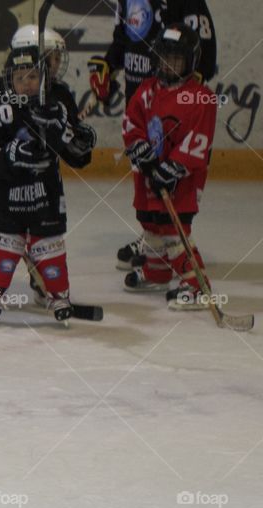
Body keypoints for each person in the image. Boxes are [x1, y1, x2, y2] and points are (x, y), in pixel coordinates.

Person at [0, 27, 96, 322]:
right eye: (50, 57)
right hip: (3, 176)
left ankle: (41, 279)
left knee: (41, 231)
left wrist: (79, 144)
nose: (56, 65)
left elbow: (74, 153)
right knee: (1, 226)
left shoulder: (58, 94)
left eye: (56, 59)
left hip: (42, 183)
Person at [86, 0, 216, 269]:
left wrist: (181, 100)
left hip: (171, 113)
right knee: (146, 186)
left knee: (170, 188)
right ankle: (153, 241)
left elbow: (204, 55)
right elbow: (124, 39)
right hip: (143, 100)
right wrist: (108, 65)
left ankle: (174, 251)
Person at [122, 24, 216, 310]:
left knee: (174, 232)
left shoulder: (202, 97)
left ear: (190, 62)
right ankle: (158, 272)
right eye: (163, 58)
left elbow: (198, 141)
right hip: (149, 175)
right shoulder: (147, 90)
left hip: (182, 181)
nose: (168, 65)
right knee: (151, 225)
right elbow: (131, 123)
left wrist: (173, 169)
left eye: (175, 60)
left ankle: (196, 285)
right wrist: (140, 150)